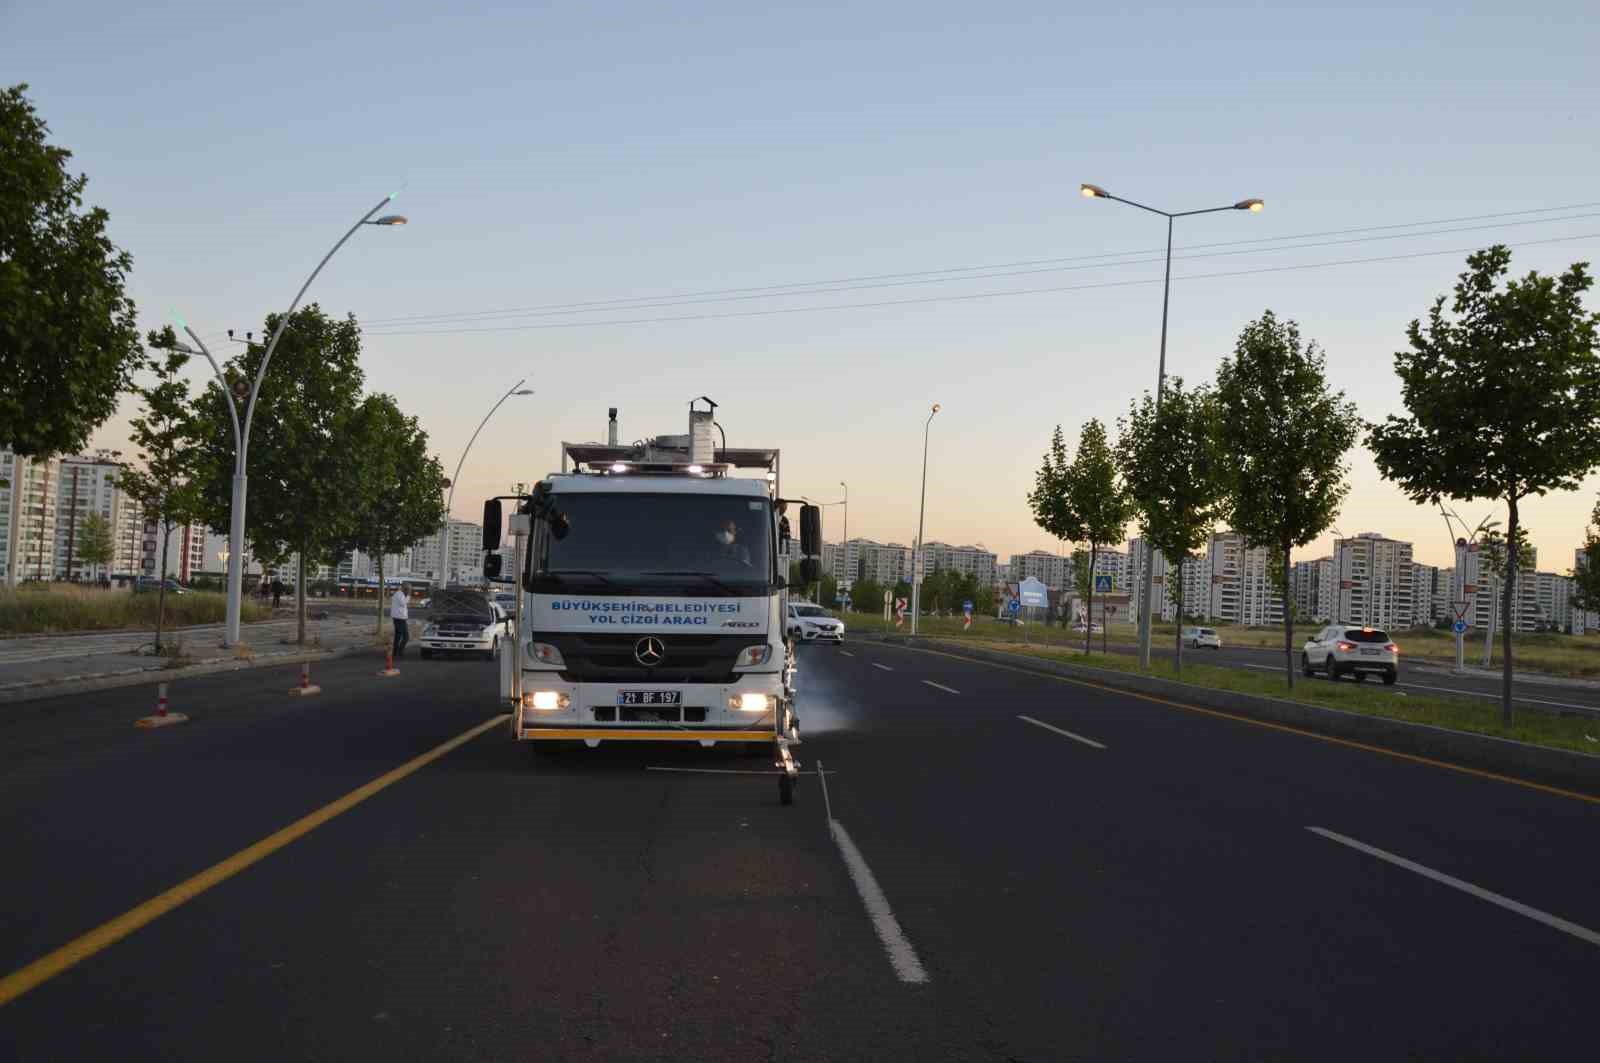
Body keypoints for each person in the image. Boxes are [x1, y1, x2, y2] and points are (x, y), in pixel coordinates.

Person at [390, 587, 410, 658]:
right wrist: (408, 596)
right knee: (404, 636)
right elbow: (403, 603)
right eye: (409, 589)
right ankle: (398, 652)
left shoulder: (399, 594)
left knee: (399, 636)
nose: (409, 591)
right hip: (399, 618)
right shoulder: (399, 595)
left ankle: (396, 652)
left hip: (400, 618)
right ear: (405, 589)